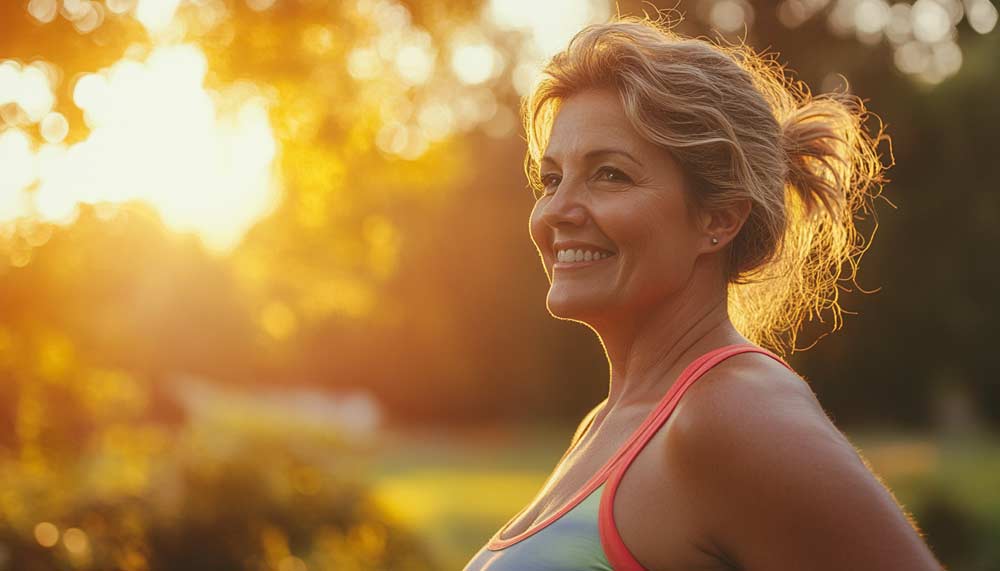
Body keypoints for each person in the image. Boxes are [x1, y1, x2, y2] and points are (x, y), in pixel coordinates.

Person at [463, 13, 944, 571]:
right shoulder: (608, 421)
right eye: (551, 179)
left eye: (609, 174)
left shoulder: (734, 413)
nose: (557, 212)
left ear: (718, 218)